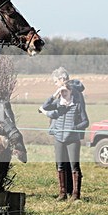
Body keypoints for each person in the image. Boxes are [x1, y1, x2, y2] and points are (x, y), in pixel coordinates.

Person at [38, 67, 89, 201]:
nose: (55, 85)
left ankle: (73, 192)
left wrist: (74, 129)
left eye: (56, 82)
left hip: (71, 135)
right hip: (60, 133)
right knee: (62, 163)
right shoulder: (60, 95)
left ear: (61, 80)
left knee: (72, 164)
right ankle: (64, 192)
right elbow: (47, 107)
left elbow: (81, 117)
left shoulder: (75, 94)